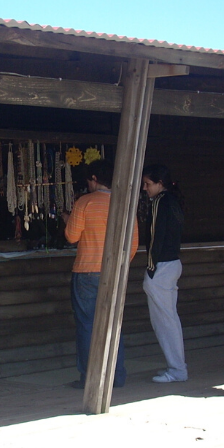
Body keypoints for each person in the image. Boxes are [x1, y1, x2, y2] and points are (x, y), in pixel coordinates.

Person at [63, 159, 139, 389]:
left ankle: (89, 379)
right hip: (114, 272)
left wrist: (67, 220)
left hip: (86, 272)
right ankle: (116, 376)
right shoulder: (125, 203)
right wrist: (118, 265)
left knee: (87, 325)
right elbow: (133, 243)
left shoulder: (85, 202)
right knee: (113, 325)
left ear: (95, 179)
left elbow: (71, 237)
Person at [141, 164, 188, 383]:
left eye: (148, 184)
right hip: (172, 263)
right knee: (169, 319)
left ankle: (177, 368)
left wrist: (151, 267)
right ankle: (176, 366)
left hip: (161, 266)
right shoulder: (174, 201)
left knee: (165, 321)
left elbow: (154, 237)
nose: (145, 188)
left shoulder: (160, 202)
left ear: (160, 183)